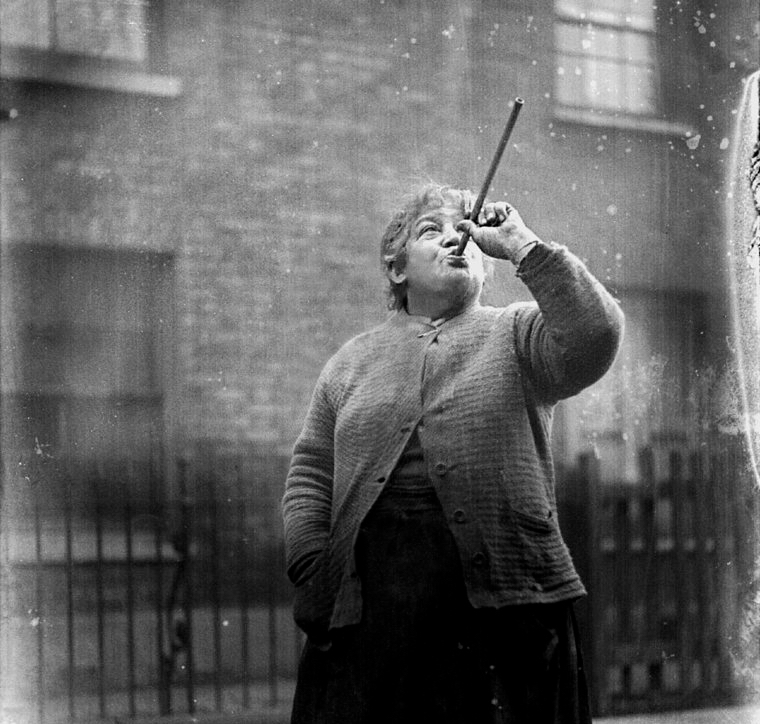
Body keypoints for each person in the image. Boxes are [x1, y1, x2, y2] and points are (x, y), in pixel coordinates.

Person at [282, 183, 624, 724]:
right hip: (372, 611)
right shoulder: (350, 363)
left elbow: (595, 336)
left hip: (504, 613)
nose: (454, 239)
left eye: (462, 228)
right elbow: (310, 472)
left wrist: (521, 245)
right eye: (430, 231)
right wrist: (311, 561)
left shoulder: (517, 332)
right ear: (397, 270)